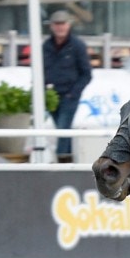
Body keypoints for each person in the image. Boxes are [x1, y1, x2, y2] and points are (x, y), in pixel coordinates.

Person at [42, 9, 92, 161]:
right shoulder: (46, 46)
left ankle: (61, 160)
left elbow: (86, 73)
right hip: (51, 95)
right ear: (51, 26)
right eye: (57, 24)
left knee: (63, 128)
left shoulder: (77, 45)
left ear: (68, 25)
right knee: (62, 128)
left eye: (62, 23)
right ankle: (68, 160)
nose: (60, 27)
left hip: (69, 95)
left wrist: (73, 93)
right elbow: (40, 69)